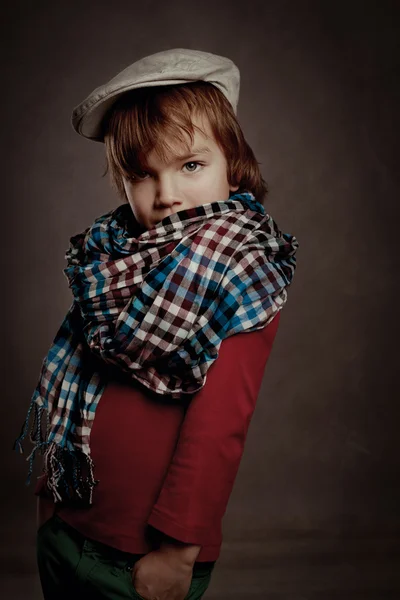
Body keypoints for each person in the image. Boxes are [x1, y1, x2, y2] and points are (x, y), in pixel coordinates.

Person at [14, 48, 299, 600]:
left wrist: (178, 552)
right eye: (143, 175)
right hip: (69, 525)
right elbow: (80, 376)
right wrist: (53, 496)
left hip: (144, 556)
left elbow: (218, 430)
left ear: (232, 162)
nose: (166, 196)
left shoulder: (242, 272)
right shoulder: (112, 261)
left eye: (191, 165)